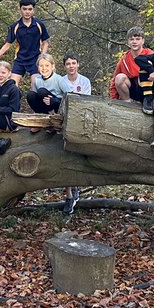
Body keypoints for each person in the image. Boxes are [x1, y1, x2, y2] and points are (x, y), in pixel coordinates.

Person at [0, 0, 50, 85]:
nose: (27, 12)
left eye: (30, 9)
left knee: (36, 86)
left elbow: (45, 42)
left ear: (33, 10)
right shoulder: (15, 26)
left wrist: (42, 57)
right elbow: (8, 43)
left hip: (35, 59)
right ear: (20, 10)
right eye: (24, 9)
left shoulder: (39, 24)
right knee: (12, 86)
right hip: (20, 59)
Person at [60, 54, 92, 214]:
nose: (71, 66)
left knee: (79, 154)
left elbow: (86, 101)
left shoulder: (85, 81)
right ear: (64, 66)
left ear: (78, 65)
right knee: (66, 154)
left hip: (81, 120)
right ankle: (69, 195)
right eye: (68, 63)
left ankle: (77, 185)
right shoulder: (61, 81)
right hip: (64, 120)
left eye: (74, 63)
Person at [109, 27, 151, 102]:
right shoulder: (124, 59)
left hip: (149, 90)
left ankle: (149, 101)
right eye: (131, 39)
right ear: (128, 42)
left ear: (143, 41)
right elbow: (114, 81)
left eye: (138, 39)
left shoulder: (150, 55)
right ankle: (127, 102)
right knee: (119, 77)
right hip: (132, 90)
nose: (134, 42)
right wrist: (113, 99)